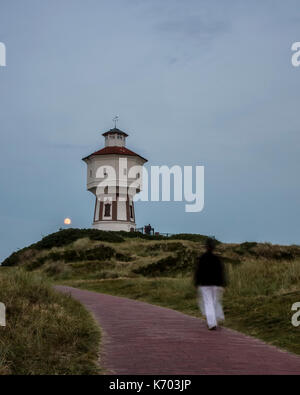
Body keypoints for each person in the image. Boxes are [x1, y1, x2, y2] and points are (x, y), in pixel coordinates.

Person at [194, 238, 227, 330]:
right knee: (215, 302)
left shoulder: (202, 258)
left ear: (206, 247)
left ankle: (212, 323)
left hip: (205, 284)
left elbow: (198, 272)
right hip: (216, 284)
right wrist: (223, 283)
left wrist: (196, 283)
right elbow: (221, 272)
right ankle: (218, 317)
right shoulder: (216, 259)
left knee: (208, 303)